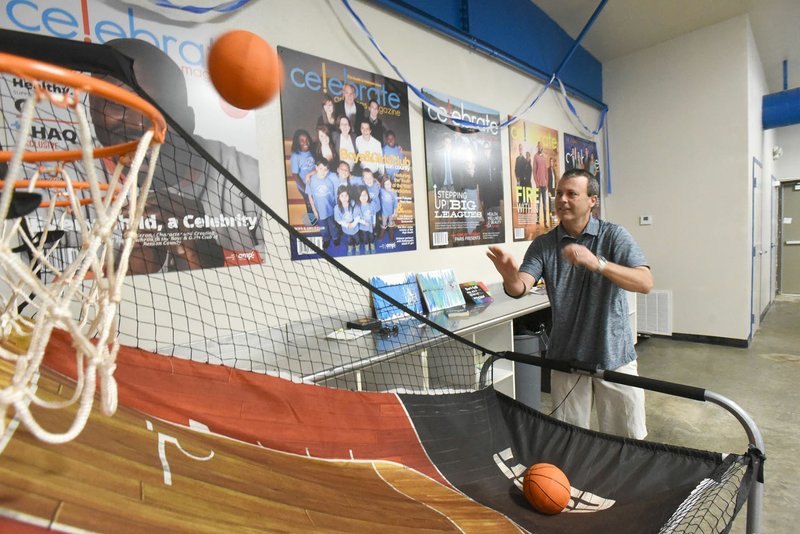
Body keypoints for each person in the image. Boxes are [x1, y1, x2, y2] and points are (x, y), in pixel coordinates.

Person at [486, 168, 653, 439]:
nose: (562, 199)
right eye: (558, 193)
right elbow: (521, 287)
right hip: (566, 358)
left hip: (614, 355)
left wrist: (597, 263)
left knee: (627, 439)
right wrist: (508, 275)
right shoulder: (543, 244)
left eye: (571, 194)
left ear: (592, 200)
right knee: (570, 438)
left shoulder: (613, 236)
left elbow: (644, 282)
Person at [89, 38, 263, 272]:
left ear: (189, 121)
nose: (137, 123)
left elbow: (271, 273)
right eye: (116, 104)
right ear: (91, 110)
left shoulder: (246, 177)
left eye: (157, 107)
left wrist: (207, 251)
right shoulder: (60, 180)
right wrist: (122, 270)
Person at [306, 157, 338, 249]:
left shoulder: (331, 178)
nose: (323, 172)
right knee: (323, 227)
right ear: (316, 168)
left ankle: (335, 237)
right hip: (319, 210)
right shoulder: (311, 180)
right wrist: (314, 210)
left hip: (330, 209)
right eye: (320, 169)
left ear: (328, 171)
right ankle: (326, 239)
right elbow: (310, 196)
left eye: (325, 170)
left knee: (333, 225)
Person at [289, 129, 316, 224]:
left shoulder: (312, 151)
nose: (305, 142)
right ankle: (313, 220)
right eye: (302, 140)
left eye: (306, 139)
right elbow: (295, 175)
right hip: (303, 185)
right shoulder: (296, 156)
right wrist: (305, 189)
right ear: (297, 142)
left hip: (314, 182)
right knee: (309, 202)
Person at [333, 185, 360, 255]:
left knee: (356, 237)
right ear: (338, 197)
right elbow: (338, 220)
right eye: (342, 196)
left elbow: (357, 216)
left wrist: (353, 224)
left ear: (349, 196)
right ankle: (350, 246)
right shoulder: (337, 208)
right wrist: (346, 225)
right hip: (346, 228)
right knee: (349, 238)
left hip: (354, 226)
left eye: (346, 195)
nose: (344, 198)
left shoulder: (353, 204)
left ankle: (357, 246)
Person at [355, 186, 376, 254]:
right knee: (365, 238)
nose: (363, 197)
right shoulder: (358, 206)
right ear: (358, 197)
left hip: (370, 226)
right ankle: (366, 246)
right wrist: (364, 222)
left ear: (368, 195)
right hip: (363, 227)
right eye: (361, 195)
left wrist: (374, 222)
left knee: (372, 237)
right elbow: (357, 218)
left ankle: (372, 245)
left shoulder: (371, 204)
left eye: (365, 195)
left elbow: (374, 214)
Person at [533, 141, 548, 226]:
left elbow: (546, 172)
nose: (540, 148)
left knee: (544, 204)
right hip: (538, 185)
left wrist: (546, 183)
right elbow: (534, 171)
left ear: (542, 147)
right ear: (537, 147)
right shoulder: (535, 157)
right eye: (538, 146)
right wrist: (536, 182)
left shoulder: (544, 157)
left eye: (541, 146)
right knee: (538, 203)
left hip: (544, 184)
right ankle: (537, 220)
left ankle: (545, 222)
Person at [378, 175, 398, 243]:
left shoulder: (394, 192)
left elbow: (395, 203)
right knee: (383, 224)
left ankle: (391, 233)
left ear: (391, 183)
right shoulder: (381, 190)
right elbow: (377, 185)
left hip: (391, 213)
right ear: (383, 184)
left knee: (391, 223)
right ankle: (382, 233)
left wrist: (395, 212)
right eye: (386, 184)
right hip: (384, 213)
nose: (388, 186)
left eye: (389, 184)